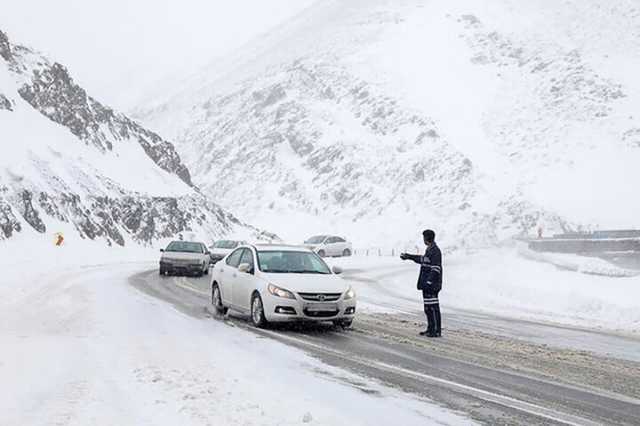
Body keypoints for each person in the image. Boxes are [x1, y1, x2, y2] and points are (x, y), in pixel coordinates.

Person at [400, 229, 442, 337]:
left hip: (432, 285)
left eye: (424, 237)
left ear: (427, 238)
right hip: (426, 285)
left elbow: (436, 269)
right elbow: (422, 259)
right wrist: (409, 256)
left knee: (433, 307)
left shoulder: (435, 251)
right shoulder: (429, 250)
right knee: (427, 308)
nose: (423, 239)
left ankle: (436, 331)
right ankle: (430, 328)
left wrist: (429, 281)